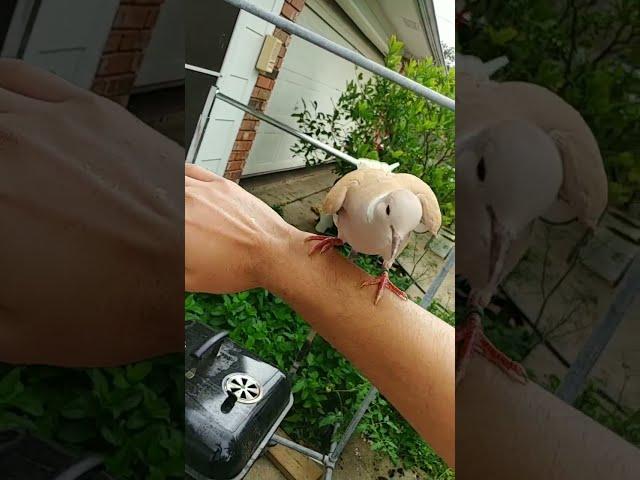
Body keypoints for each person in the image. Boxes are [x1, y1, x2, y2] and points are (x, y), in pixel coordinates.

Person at [185, 164, 456, 467]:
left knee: (388, 251)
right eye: (395, 227)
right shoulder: (352, 191)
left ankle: (384, 270)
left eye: (402, 235)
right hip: (350, 226)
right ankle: (343, 242)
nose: (397, 239)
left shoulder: (408, 215)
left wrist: (277, 254)